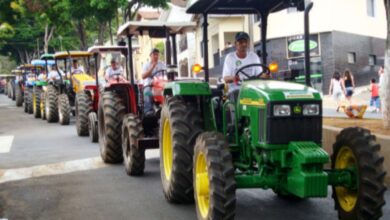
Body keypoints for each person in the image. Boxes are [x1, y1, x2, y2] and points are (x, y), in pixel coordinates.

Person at [222, 31, 262, 98]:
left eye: (245, 42)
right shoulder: (230, 58)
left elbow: (260, 74)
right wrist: (233, 78)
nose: (243, 44)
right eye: (240, 42)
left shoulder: (254, 56)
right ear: (235, 44)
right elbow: (225, 78)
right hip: (236, 89)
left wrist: (265, 75)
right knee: (237, 94)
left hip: (252, 88)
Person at [142, 48, 166, 114]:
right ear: (150, 55)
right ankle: (148, 110)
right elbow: (143, 76)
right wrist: (152, 67)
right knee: (147, 92)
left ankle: (166, 107)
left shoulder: (162, 64)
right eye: (154, 54)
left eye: (157, 55)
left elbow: (165, 73)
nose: (156, 56)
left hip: (160, 84)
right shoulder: (146, 65)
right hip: (150, 84)